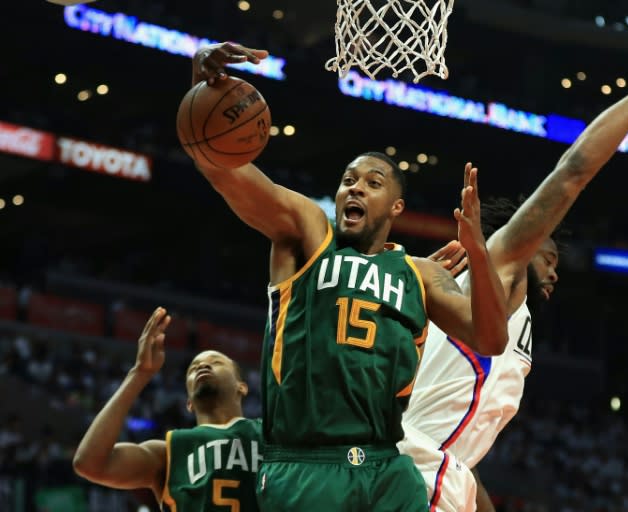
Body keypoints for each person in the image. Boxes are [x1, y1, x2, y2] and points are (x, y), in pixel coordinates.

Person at [399, 38, 628, 512]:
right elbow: (574, 170)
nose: (555, 269)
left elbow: (459, 454)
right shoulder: (500, 261)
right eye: (549, 255)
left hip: (433, 467)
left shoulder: (508, 308)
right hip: (412, 470)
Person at [187, 44, 510, 511]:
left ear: (396, 207)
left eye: (372, 182)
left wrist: (479, 254)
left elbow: (491, 337)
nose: (355, 186)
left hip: (386, 466)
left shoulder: (420, 274)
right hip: (305, 465)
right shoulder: (307, 236)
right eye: (348, 180)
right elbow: (228, 174)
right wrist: (202, 91)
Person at [72, 307, 263, 512]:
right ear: (189, 402)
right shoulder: (169, 452)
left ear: (241, 387)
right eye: (193, 368)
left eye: (216, 362)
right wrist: (139, 373)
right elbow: (89, 463)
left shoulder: (269, 432)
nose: (202, 366)